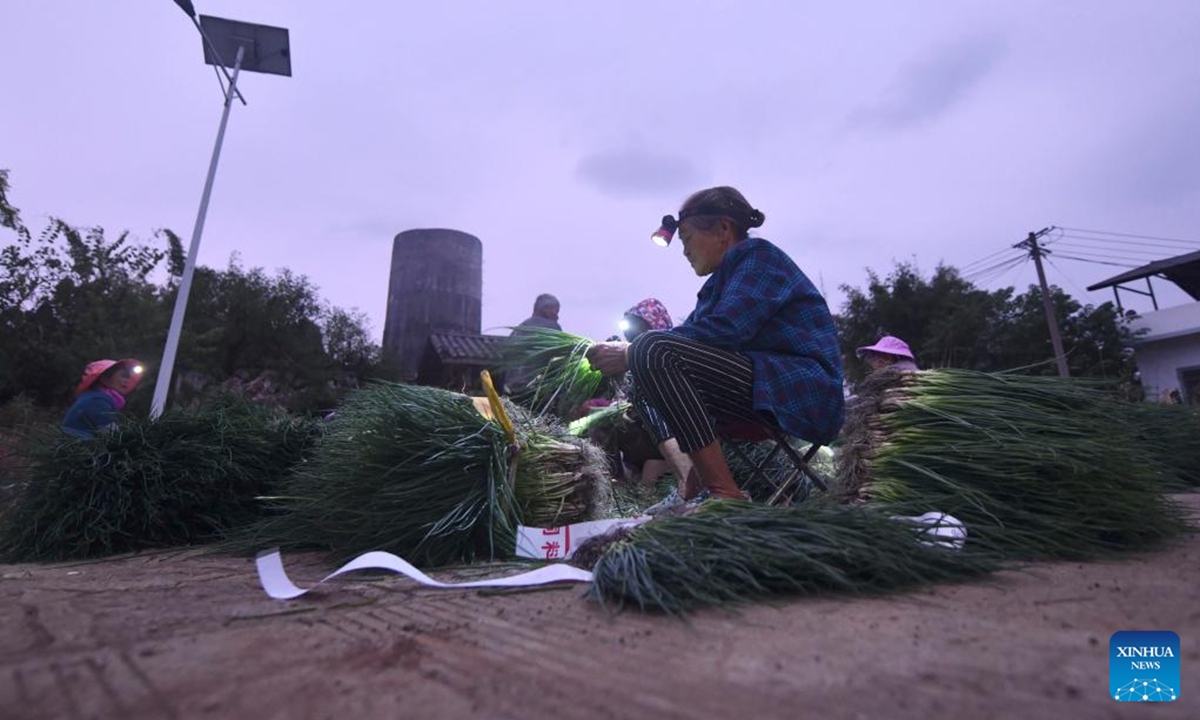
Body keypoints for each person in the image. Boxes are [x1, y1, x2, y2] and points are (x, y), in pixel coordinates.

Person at [586, 186, 845, 502]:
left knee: (651, 349)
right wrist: (632, 356)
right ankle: (694, 478)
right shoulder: (718, 284)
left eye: (688, 238)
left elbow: (724, 329)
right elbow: (693, 334)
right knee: (641, 372)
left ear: (723, 229)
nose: (684, 251)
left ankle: (724, 493)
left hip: (800, 389)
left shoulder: (758, 258)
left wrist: (630, 351)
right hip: (757, 390)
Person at [61, 358, 145, 438]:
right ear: (104, 378)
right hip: (77, 449)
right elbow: (113, 435)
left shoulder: (94, 397)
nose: (127, 381)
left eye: (129, 377)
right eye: (123, 376)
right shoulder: (96, 401)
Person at [505, 293, 563, 394]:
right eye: (555, 311)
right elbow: (560, 360)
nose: (557, 316)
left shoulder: (518, 329)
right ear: (545, 309)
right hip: (535, 391)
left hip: (510, 390)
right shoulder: (552, 328)